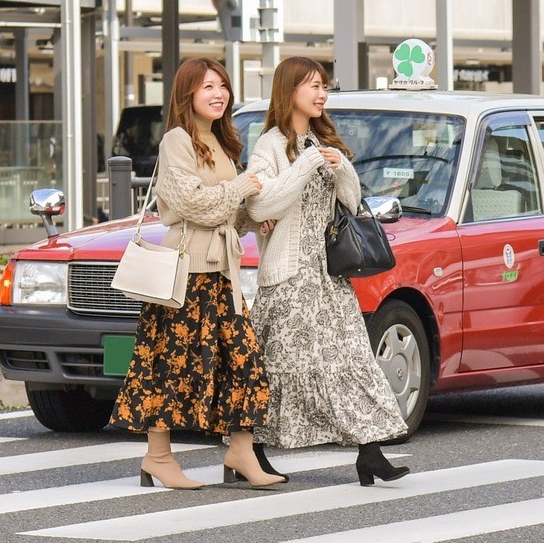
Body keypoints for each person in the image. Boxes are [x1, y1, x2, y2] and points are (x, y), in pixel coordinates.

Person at [110, 57, 285, 490]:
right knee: (173, 364)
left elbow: (221, 211)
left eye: (222, 86)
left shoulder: (220, 140)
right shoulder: (177, 140)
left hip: (221, 275)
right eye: (207, 86)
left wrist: (250, 219)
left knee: (244, 361)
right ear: (187, 93)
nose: (218, 93)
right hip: (185, 273)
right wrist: (244, 188)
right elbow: (191, 204)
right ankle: (158, 456)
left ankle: (241, 450)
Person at [246, 56, 411, 487]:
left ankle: (369, 453)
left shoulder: (321, 140)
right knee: (279, 365)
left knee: (352, 358)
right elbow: (262, 206)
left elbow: (353, 204)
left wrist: (342, 170)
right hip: (288, 276)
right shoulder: (270, 145)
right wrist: (306, 164)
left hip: (328, 275)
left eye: (324, 86)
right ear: (289, 91)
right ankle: (249, 452)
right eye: (312, 86)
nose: (321, 94)